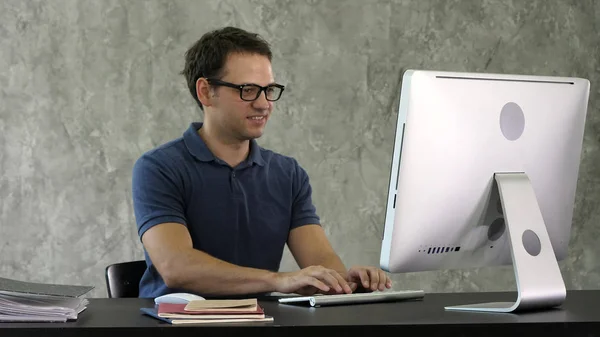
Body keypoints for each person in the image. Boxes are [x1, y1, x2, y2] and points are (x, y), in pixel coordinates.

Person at [132, 26, 392, 298]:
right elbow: (177, 267)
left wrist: (347, 282)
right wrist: (277, 281)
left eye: (269, 90)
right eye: (248, 90)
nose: (263, 103)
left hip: (261, 324)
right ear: (206, 92)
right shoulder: (158, 168)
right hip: (178, 324)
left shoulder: (288, 174)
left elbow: (321, 261)